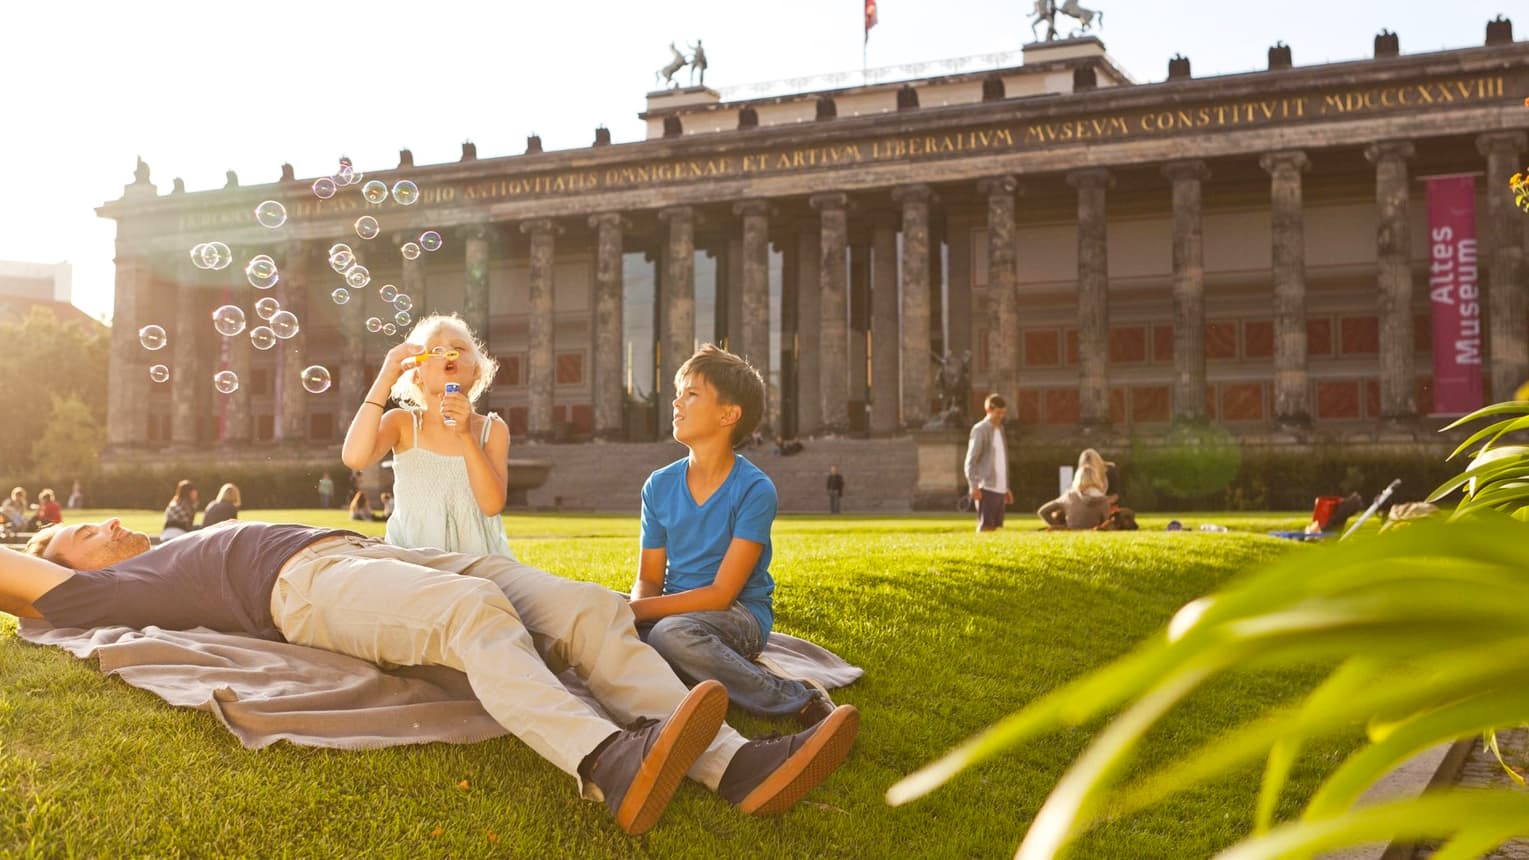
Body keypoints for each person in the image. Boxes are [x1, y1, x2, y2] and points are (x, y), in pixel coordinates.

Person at [9, 518, 860, 835]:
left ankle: (732, 765)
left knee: (586, 608)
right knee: (470, 615)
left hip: (373, 550)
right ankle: (605, 760)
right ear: (63, 567)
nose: (108, 525)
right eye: (84, 531)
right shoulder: (102, 592)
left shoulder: (173, 541)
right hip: (304, 587)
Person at [629, 345, 847, 729]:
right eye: (678, 393)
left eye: (691, 393)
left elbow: (721, 594)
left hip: (737, 615)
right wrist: (630, 614)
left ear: (729, 414)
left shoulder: (754, 489)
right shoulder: (658, 485)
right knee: (592, 609)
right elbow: (648, 578)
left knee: (670, 635)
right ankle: (684, 682)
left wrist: (638, 615)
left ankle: (798, 700)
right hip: (671, 610)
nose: (676, 402)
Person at [341, 313, 513, 557]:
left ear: (476, 369)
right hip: (413, 560)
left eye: (459, 348)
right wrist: (385, 377)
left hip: (475, 559)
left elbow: (492, 505)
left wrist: (466, 435)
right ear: (416, 374)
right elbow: (354, 458)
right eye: (435, 350)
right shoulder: (402, 423)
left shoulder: (492, 429)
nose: (448, 353)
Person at [964, 394, 1012, 532]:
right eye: (998, 413)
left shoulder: (1000, 429)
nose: (1001, 416)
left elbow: (1001, 460)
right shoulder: (980, 429)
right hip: (986, 487)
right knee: (985, 527)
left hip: (1000, 488)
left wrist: (1006, 487)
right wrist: (973, 485)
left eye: (1003, 413)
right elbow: (971, 460)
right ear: (988, 410)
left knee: (996, 528)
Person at [1037, 449, 1111, 530]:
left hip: (1071, 530)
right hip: (1093, 531)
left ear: (1077, 478)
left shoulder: (1068, 496)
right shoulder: (1103, 500)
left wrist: (1058, 526)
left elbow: (1042, 511)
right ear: (1096, 478)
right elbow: (1104, 523)